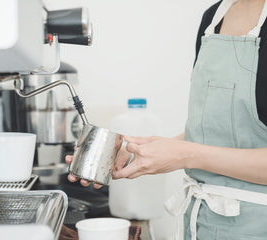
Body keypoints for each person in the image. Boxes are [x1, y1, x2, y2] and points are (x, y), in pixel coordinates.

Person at [66, 0, 267, 239]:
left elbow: (196, 150)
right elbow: (217, 132)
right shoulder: (213, 19)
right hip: (202, 223)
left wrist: (185, 154)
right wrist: (139, 151)